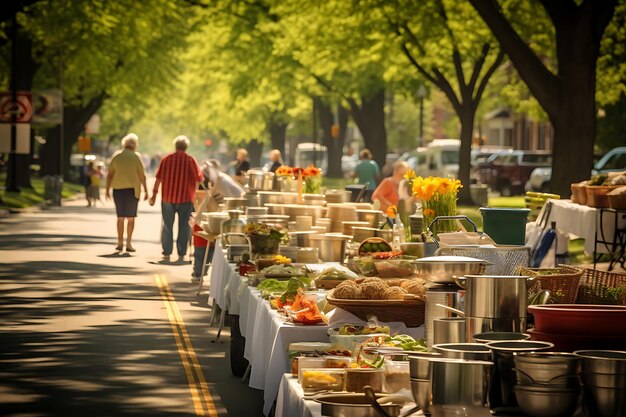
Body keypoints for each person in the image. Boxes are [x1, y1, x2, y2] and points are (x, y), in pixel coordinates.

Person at [150, 135, 203, 263]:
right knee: (184, 226)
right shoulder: (190, 160)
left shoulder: (166, 159)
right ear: (186, 147)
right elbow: (199, 179)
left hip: (168, 198)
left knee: (167, 225)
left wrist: (154, 195)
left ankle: (167, 252)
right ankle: (181, 253)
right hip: (185, 199)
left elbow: (158, 178)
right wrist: (196, 196)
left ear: (175, 146)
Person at [190, 160, 245, 280]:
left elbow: (228, 201)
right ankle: (200, 272)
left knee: (205, 246)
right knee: (208, 245)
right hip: (231, 213)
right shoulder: (221, 179)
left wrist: (198, 217)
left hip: (234, 214)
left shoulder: (220, 181)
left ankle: (198, 272)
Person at [105, 134, 148, 252]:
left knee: (120, 217)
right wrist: (146, 190)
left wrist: (107, 189)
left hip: (118, 190)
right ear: (135, 145)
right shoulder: (136, 157)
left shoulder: (116, 156)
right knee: (131, 218)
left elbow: (110, 174)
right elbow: (142, 176)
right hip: (132, 190)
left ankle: (120, 243)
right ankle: (128, 243)